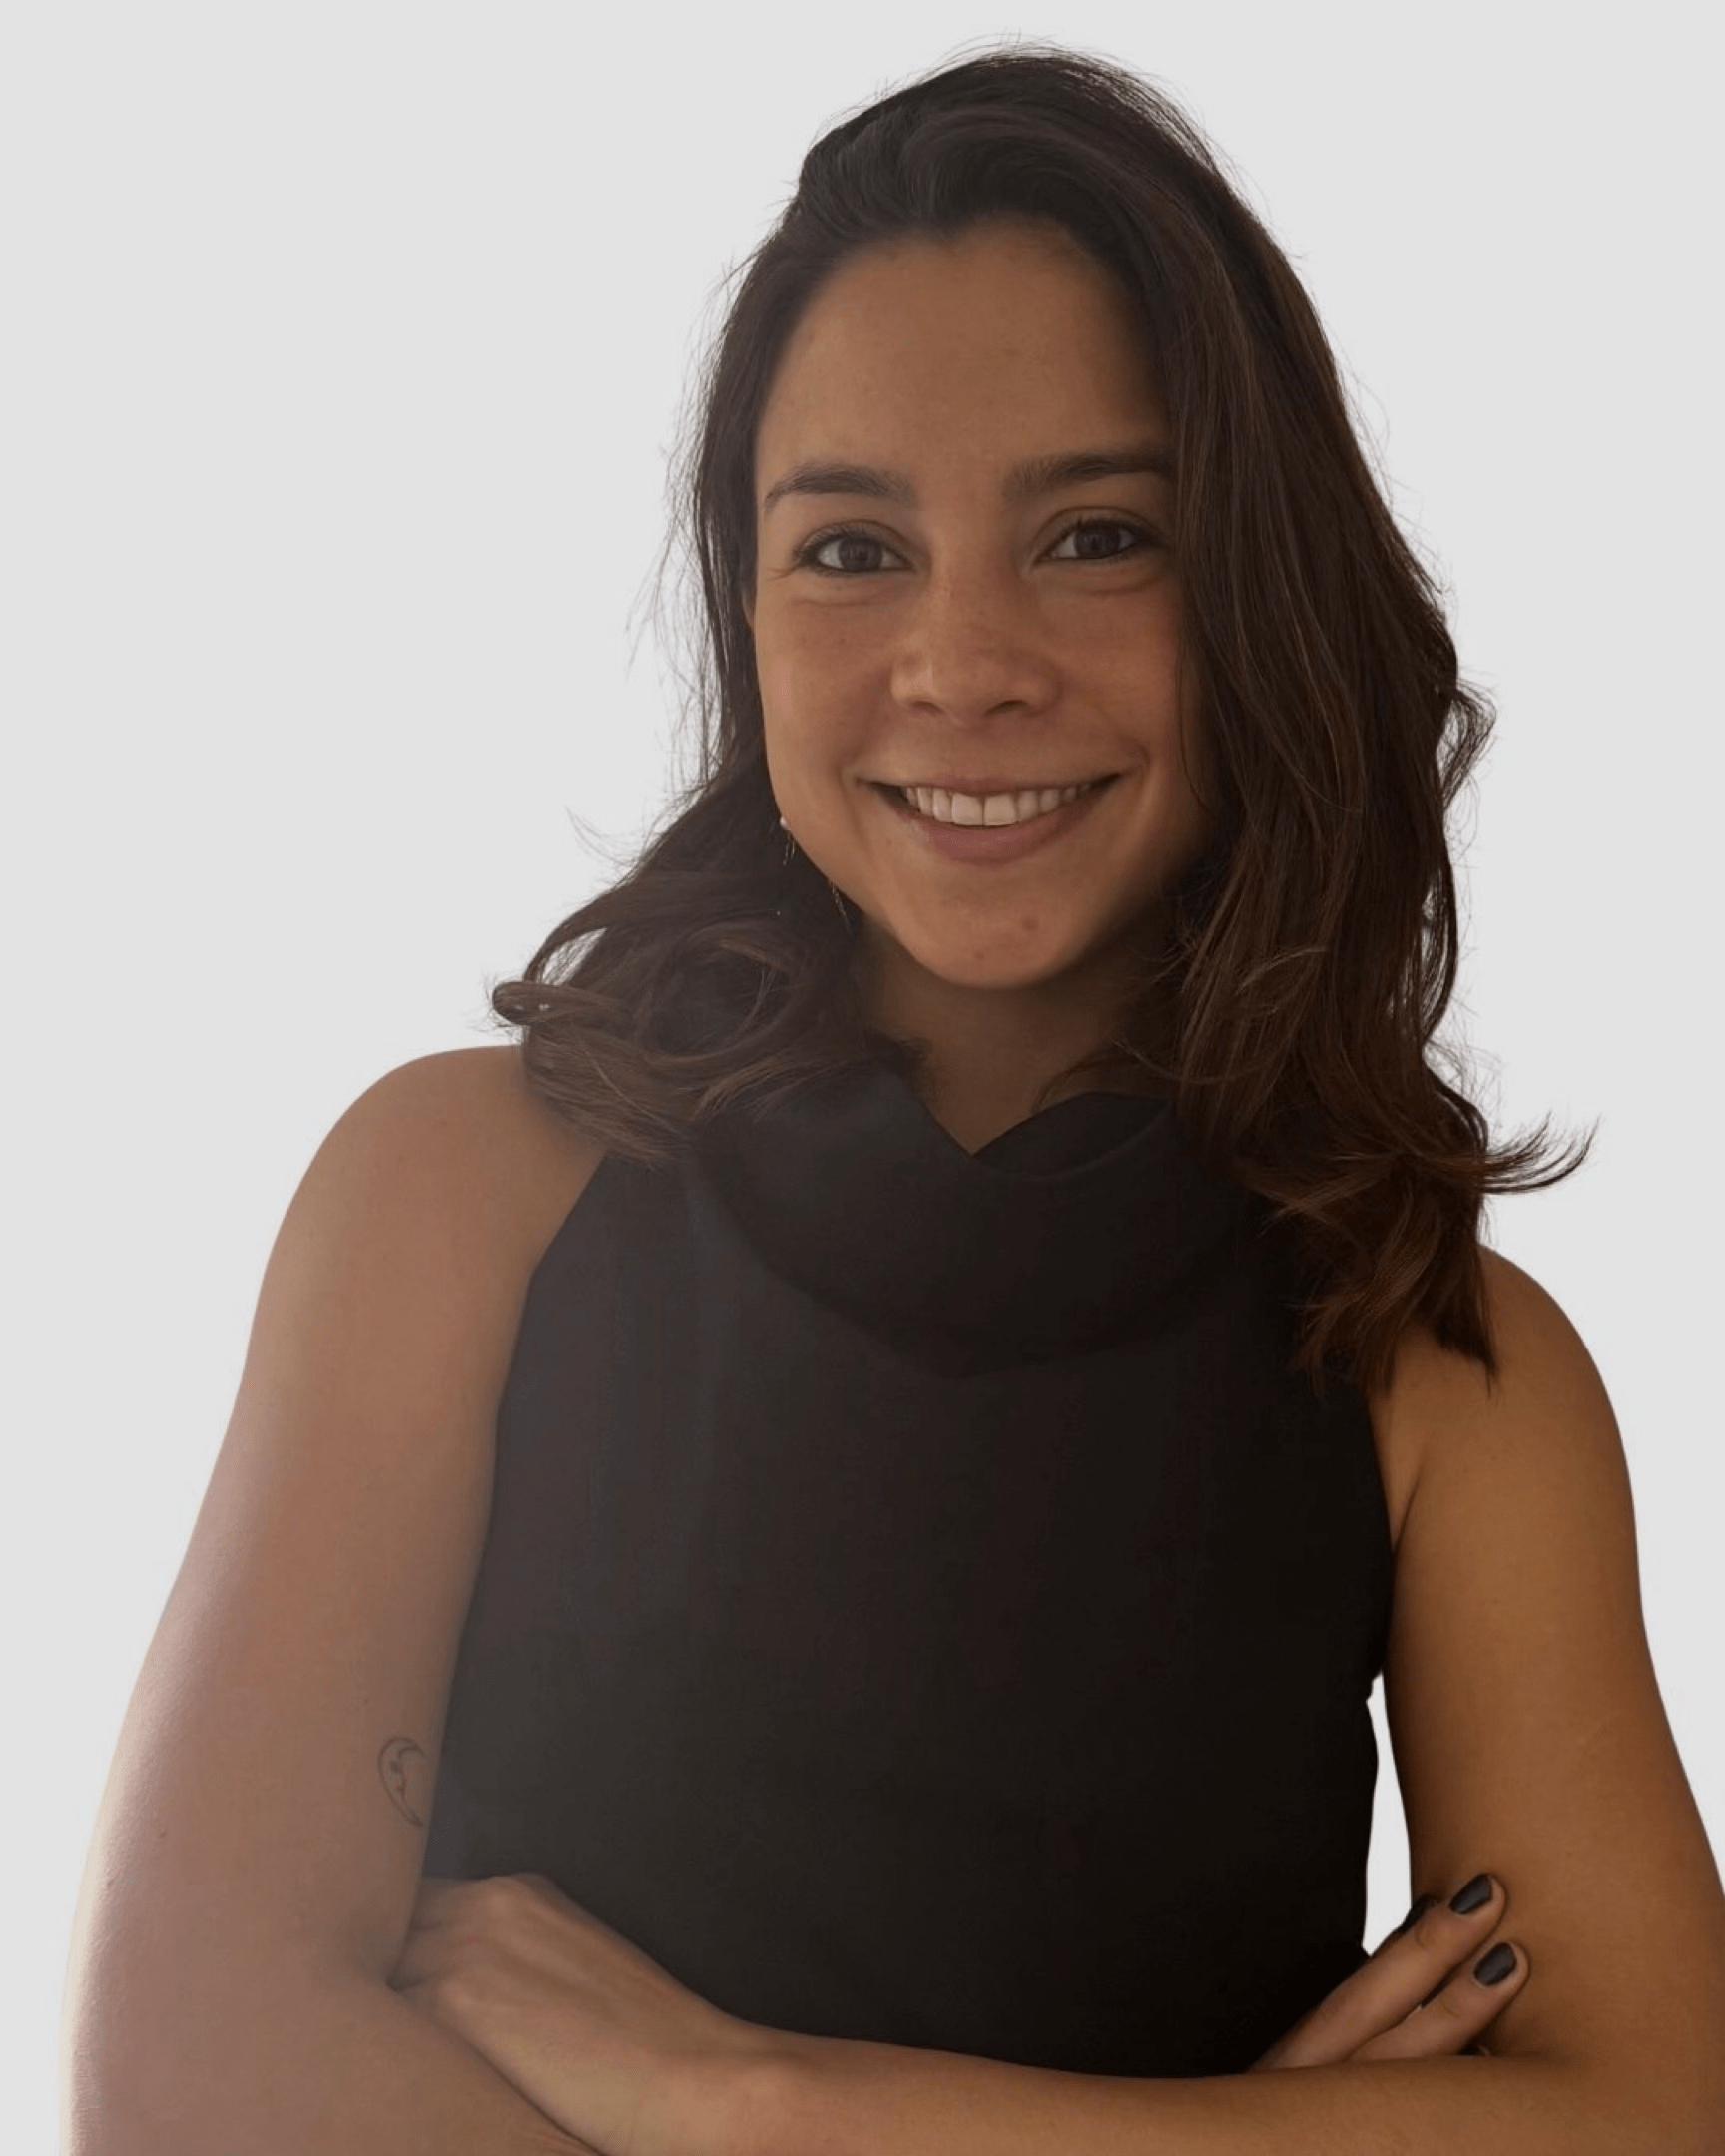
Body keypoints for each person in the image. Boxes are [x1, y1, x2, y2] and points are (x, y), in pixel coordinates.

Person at [62, 42, 1725, 2156]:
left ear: (1264, 595)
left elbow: (1662, 2117)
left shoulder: (1439, 1369)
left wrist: (751, 2100)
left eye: (1099, 535)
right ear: (745, 610)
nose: (964, 663)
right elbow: (181, 2090)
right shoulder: (456, 1198)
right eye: (851, 549)